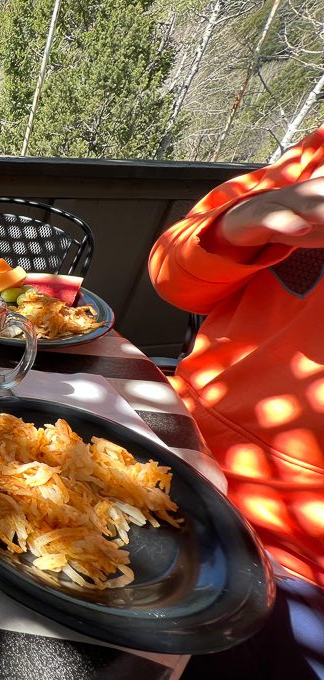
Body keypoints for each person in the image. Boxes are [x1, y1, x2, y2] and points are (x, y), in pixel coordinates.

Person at [150, 127, 324, 679]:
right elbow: (172, 275)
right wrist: (246, 222)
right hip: (174, 443)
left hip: (296, 554)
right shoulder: (314, 156)